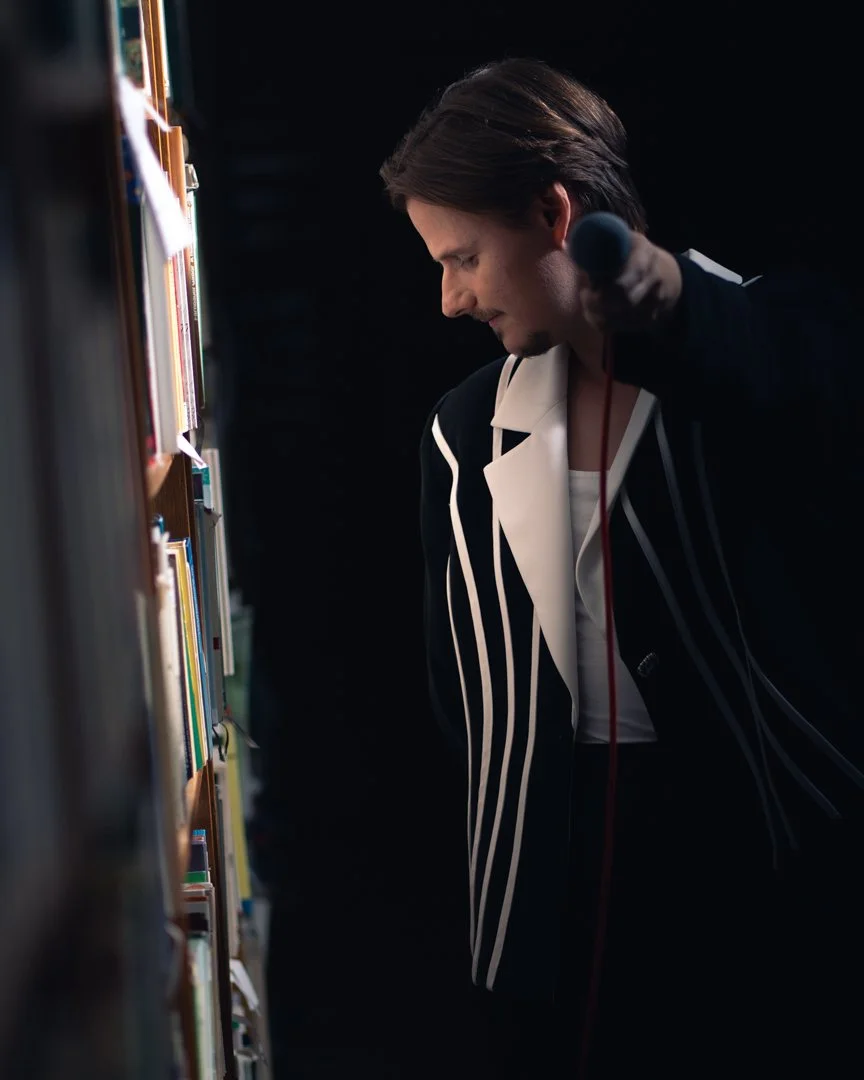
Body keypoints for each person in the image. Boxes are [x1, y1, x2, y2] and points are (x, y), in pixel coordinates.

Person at [379, 57, 864, 1078]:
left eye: (463, 258)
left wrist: (676, 300)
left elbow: (798, 373)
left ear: (553, 213)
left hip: (777, 870)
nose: (449, 299)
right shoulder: (461, 434)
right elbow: (460, 694)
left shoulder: (763, 343)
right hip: (564, 889)